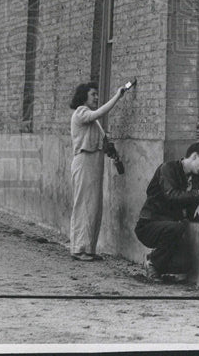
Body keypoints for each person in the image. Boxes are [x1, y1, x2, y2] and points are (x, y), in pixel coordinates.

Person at [134, 141, 199, 283]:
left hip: (171, 226)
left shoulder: (195, 178)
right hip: (149, 224)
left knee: (184, 266)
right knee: (178, 227)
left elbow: (194, 197)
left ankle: (155, 259)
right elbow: (172, 196)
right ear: (194, 156)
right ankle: (153, 263)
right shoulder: (167, 168)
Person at [69, 80, 130, 261]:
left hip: (94, 162)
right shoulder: (81, 112)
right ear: (84, 97)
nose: (96, 97)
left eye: (97, 94)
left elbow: (102, 140)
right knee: (84, 205)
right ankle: (78, 248)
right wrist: (118, 96)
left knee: (94, 206)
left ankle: (88, 248)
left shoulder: (94, 122)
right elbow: (101, 112)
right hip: (84, 161)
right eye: (93, 94)